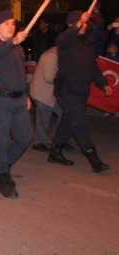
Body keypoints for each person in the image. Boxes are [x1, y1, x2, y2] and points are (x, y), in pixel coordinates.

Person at [48, 11, 112, 173]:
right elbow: (62, 38)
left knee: (68, 121)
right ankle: (94, 160)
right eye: (83, 23)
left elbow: (93, 67)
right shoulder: (66, 41)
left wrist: (103, 84)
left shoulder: (86, 44)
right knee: (79, 124)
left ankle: (55, 151)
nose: (86, 25)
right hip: (67, 90)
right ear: (73, 24)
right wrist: (78, 24)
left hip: (81, 90)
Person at [0, 10, 32, 198]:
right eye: (7, 23)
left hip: (18, 99)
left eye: (13, 23)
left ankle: (1, 166)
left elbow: (20, 74)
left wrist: (26, 95)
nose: (12, 26)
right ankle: (3, 175)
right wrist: (13, 42)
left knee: (24, 138)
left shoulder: (17, 48)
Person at [30, 47, 61, 152]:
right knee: (43, 120)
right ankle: (40, 142)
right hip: (43, 92)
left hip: (47, 92)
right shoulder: (52, 56)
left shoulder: (55, 53)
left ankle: (55, 139)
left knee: (62, 114)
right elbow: (49, 77)